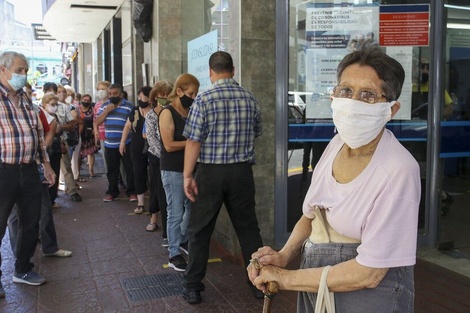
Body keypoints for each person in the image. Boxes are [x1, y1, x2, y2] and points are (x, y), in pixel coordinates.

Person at [247, 47, 420, 312]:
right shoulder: (336, 144)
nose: (353, 102)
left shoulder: (399, 169)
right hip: (317, 284)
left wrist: (285, 278)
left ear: (391, 109)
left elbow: (369, 273)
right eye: (345, 91)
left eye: (368, 95)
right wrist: (283, 256)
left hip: (368, 296)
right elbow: (312, 215)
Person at [183, 51, 264, 304]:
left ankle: (193, 287)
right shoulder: (249, 98)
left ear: (210, 71)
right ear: (233, 69)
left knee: (200, 230)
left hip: (211, 173)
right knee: (248, 229)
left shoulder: (204, 99)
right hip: (241, 172)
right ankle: (258, 284)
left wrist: (187, 175)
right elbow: (257, 131)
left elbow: (194, 141)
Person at [0, 51, 56, 294]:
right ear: (3, 70)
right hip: (4, 171)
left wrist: (47, 164)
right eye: (19, 70)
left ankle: (22, 269)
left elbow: (38, 138)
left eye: (25, 71)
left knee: (31, 222)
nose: (23, 75)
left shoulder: (27, 101)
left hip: (30, 170)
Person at [8, 92, 72, 260]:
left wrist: (45, 164)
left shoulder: (32, 110)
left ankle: (49, 247)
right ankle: (19, 258)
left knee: (44, 208)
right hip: (9, 170)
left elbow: (44, 135)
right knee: (14, 216)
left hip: (33, 167)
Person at [160, 74, 199, 272]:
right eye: (191, 93)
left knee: (189, 208)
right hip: (173, 169)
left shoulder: (190, 111)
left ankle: (181, 240)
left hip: (189, 169)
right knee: (175, 212)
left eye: (196, 93)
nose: (193, 97)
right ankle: (174, 252)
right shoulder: (167, 112)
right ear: (179, 91)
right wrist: (194, 142)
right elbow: (168, 145)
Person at [95, 83, 136, 202]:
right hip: (110, 143)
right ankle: (112, 192)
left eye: (115, 94)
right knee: (112, 169)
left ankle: (131, 191)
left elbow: (133, 122)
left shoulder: (129, 106)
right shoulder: (105, 106)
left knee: (129, 168)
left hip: (126, 142)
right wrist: (107, 111)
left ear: (121, 94)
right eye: (110, 94)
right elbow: (97, 121)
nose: (112, 96)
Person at [145, 80, 172, 238]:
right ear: (155, 96)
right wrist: (167, 152)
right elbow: (152, 140)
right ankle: (167, 232)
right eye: (162, 94)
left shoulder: (172, 112)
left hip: (172, 158)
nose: (165, 97)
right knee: (162, 193)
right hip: (158, 158)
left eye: (168, 94)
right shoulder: (151, 115)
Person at [120, 86, 152, 214]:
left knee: (153, 175)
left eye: (142, 96)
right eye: (139, 96)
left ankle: (156, 203)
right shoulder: (134, 111)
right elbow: (127, 126)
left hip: (152, 147)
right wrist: (122, 142)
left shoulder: (156, 111)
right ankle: (140, 204)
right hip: (136, 147)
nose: (140, 99)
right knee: (138, 173)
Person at [56, 84, 82, 202]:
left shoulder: (66, 108)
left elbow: (72, 125)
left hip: (62, 140)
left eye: (63, 91)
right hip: (48, 142)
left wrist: (60, 127)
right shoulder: (41, 107)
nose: (61, 94)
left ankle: (72, 191)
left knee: (66, 167)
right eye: (58, 91)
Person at [79, 93, 98, 178]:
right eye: (84, 100)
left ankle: (91, 171)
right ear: (81, 100)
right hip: (80, 134)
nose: (86, 102)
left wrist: (95, 130)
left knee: (90, 152)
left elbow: (95, 120)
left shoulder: (92, 109)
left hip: (90, 134)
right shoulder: (77, 109)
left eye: (88, 100)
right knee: (79, 154)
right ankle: (77, 172)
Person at [93, 80, 111, 171]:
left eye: (103, 89)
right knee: (105, 157)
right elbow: (95, 120)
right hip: (102, 134)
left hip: (112, 133)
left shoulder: (112, 103)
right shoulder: (97, 105)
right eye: (99, 89)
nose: (101, 91)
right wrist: (96, 133)